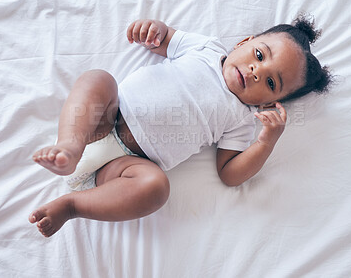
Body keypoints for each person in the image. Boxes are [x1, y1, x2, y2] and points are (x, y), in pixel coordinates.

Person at [29, 14, 332, 237]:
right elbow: (163, 40)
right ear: (245, 42)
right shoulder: (207, 49)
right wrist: (153, 30)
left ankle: (71, 206)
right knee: (98, 80)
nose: (256, 70)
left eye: (270, 81)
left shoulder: (241, 119)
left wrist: (267, 141)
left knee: (157, 188)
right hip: (108, 116)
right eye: (259, 55)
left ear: (270, 103)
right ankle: (69, 145)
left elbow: (230, 174)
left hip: (129, 165)